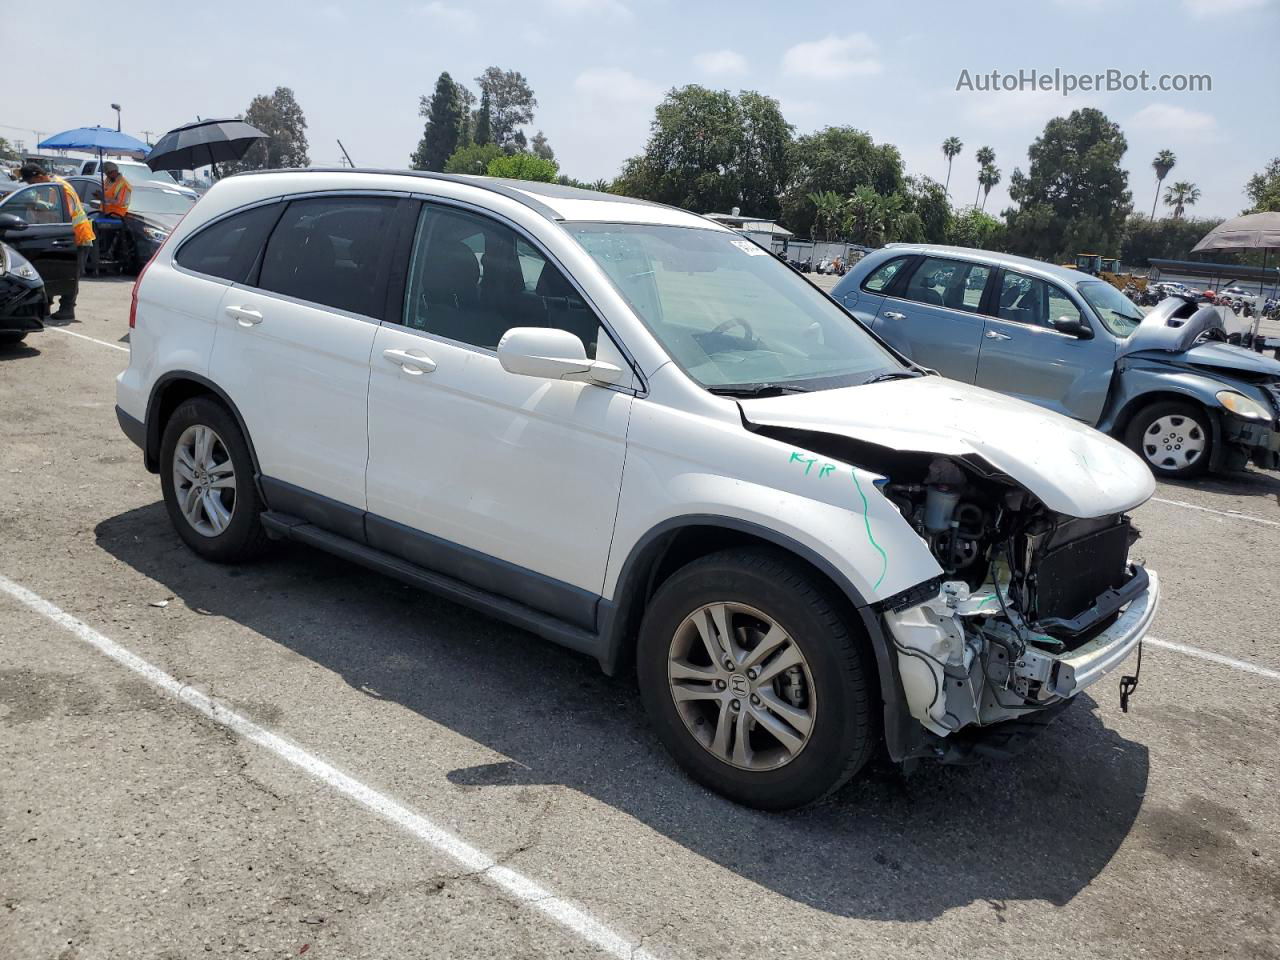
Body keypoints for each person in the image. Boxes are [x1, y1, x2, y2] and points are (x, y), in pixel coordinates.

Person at [17, 163, 95, 320]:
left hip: (77, 235)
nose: (31, 186)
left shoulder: (60, 187)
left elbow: (64, 212)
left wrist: (40, 207)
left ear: (39, 176)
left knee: (70, 274)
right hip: (60, 234)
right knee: (50, 270)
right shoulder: (45, 187)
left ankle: (67, 309)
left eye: (31, 183)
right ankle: (46, 305)